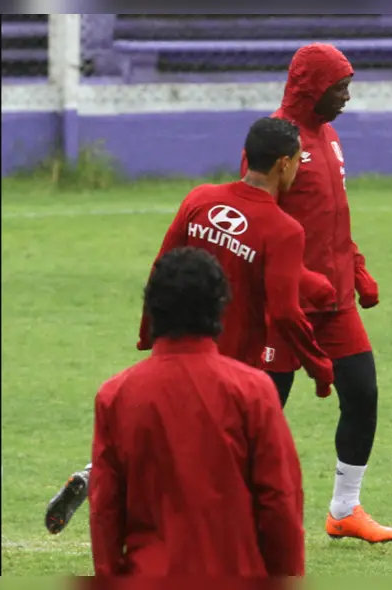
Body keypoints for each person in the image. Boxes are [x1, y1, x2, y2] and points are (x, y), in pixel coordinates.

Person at [44, 116, 334, 536]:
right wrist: (320, 366)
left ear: (246, 157)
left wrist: (149, 332)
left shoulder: (200, 198)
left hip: (175, 345)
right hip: (229, 364)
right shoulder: (284, 229)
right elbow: (286, 312)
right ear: (284, 164)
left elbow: (163, 264)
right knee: (217, 459)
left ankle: (96, 474)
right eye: (299, 163)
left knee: (174, 438)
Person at [238, 42, 392, 544]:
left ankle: (344, 509)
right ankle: (228, 509)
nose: (347, 97)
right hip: (283, 304)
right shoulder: (274, 140)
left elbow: (333, 215)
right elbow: (257, 218)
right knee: (262, 412)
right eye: (340, 88)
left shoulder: (329, 138)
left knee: (363, 394)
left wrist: (356, 267)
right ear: (311, 89)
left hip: (335, 303)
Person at [89, 246, 305, 576]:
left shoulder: (115, 396)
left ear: (152, 309)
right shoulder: (253, 390)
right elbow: (279, 501)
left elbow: (105, 509)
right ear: (219, 308)